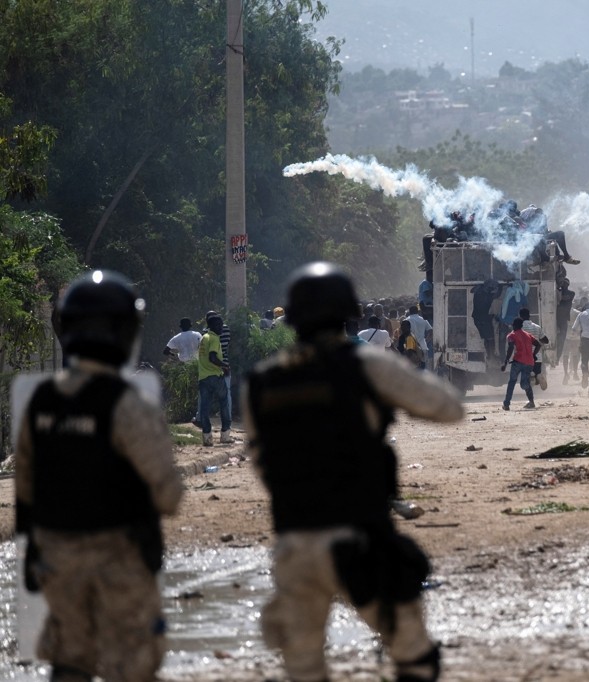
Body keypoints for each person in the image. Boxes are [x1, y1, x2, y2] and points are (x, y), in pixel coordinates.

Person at [243, 261, 463, 682]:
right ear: (349, 313)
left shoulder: (262, 381)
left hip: (294, 543)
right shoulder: (365, 365)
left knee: (304, 669)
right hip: (361, 539)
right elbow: (447, 408)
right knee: (413, 658)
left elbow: (262, 461)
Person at [15, 270, 183, 681]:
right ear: (124, 331)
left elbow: (25, 486)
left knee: (70, 659)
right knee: (135, 663)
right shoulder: (127, 403)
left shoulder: (41, 400)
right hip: (120, 559)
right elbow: (169, 495)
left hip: (56, 558)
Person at [198, 313, 232, 446]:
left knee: (204, 408)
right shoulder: (214, 338)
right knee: (224, 403)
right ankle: (225, 435)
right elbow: (212, 358)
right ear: (211, 325)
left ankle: (207, 437)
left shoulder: (203, 338)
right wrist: (225, 366)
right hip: (215, 376)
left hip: (203, 377)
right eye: (219, 325)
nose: (221, 327)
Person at [500, 317, 540, 410]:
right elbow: (538, 344)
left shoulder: (511, 335)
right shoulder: (528, 335)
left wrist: (505, 362)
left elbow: (510, 348)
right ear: (521, 326)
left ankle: (506, 404)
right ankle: (531, 402)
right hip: (529, 363)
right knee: (525, 383)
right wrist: (533, 355)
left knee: (512, 382)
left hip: (518, 362)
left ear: (514, 325)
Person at [518, 307, 549, 390]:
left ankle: (532, 376)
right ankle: (538, 376)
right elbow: (546, 340)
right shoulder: (537, 327)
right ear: (529, 316)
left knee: (526, 377)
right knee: (537, 373)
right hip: (537, 356)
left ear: (520, 316)